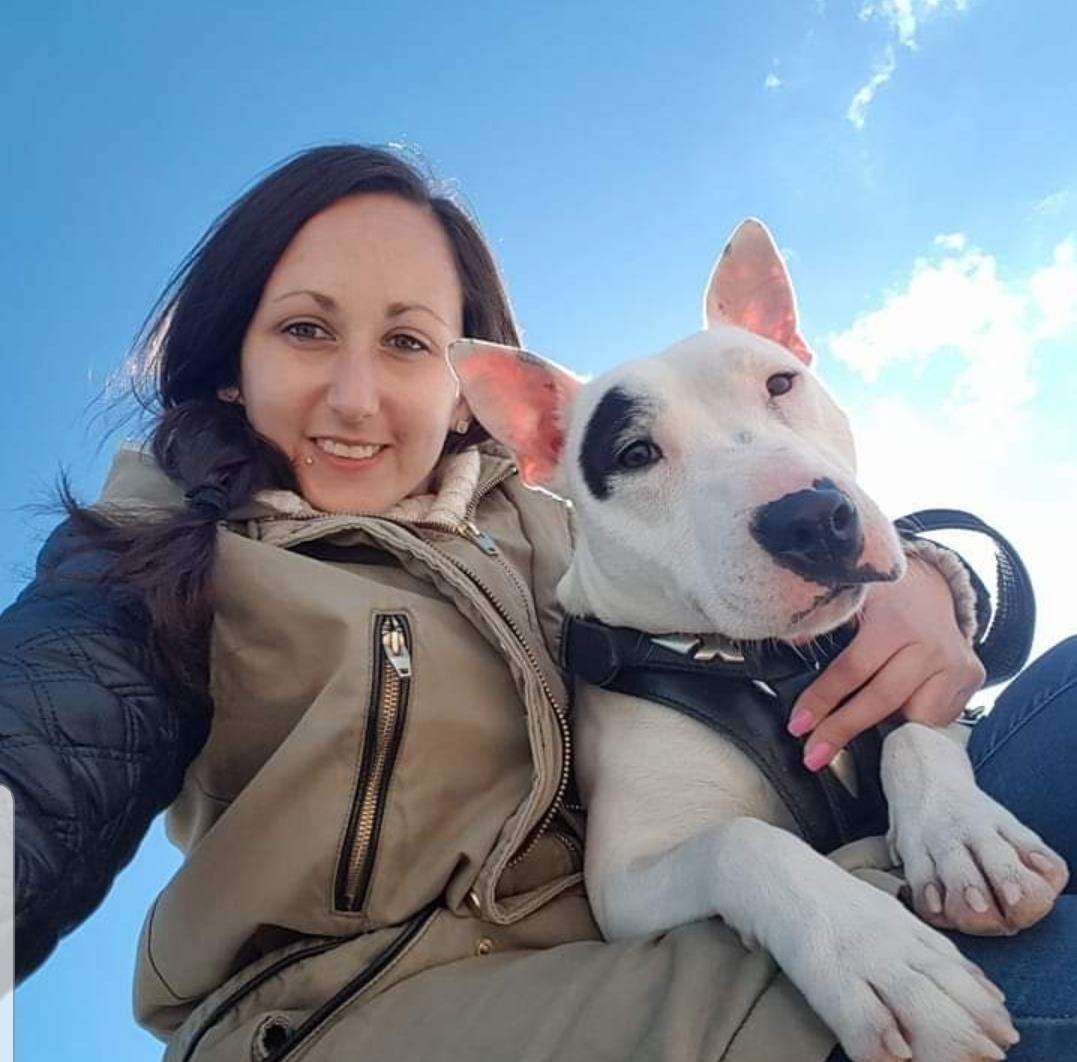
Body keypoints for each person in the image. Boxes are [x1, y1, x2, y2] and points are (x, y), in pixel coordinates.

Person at [0, 143, 1073, 1061]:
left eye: (409, 341)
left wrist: (942, 579)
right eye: (306, 330)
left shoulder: (567, 526)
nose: (356, 396)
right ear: (232, 356)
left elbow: (786, 543)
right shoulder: (152, 549)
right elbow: (51, 742)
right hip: (385, 1006)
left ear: (466, 382)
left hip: (704, 909)